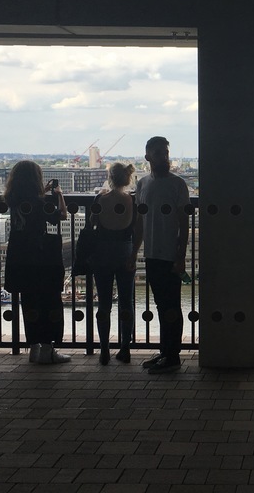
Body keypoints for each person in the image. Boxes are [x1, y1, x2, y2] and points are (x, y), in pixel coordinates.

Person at [134, 136, 191, 374]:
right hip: (152, 254)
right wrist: (134, 252)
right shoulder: (142, 184)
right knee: (161, 304)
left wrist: (180, 256)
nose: (163, 157)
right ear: (147, 156)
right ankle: (167, 351)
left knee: (171, 306)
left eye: (165, 153)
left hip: (168, 255)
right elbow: (139, 222)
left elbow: (184, 223)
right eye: (158, 153)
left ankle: (172, 355)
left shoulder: (177, 184)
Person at [4, 161, 70, 364]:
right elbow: (61, 216)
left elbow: (28, 208)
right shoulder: (41, 202)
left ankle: (33, 347)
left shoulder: (12, 198)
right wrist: (58, 194)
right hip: (41, 256)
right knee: (49, 301)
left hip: (19, 254)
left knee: (29, 301)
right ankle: (48, 349)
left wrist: (43, 191)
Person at [91, 162, 141, 365]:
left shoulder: (100, 199)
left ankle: (104, 349)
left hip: (102, 253)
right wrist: (134, 254)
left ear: (110, 178)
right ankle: (125, 348)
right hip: (125, 251)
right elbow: (138, 231)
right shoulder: (133, 201)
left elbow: (93, 223)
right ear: (128, 179)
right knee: (126, 301)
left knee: (104, 303)